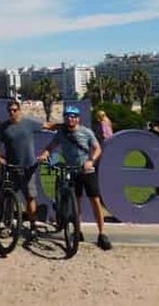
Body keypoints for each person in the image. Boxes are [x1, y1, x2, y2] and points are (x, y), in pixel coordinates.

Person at [38, 104, 112, 250]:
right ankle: (78, 231)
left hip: (87, 171)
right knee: (76, 203)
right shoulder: (61, 133)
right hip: (72, 171)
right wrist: (45, 154)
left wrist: (91, 161)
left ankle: (102, 233)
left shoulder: (86, 132)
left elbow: (97, 148)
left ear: (78, 119)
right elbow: (51, 146)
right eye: (67, 116)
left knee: (95, 201)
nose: (70, 119)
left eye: (73, 117)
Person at [0, 98, 51, 230]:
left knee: (30, 197)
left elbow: (48, 126)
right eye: (10, 110)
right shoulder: (4, 127)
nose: (12, 112)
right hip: (11, 168)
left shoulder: (29, 123)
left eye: (14, 110)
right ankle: (8, 225)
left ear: (19, 110)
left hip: (28, 167)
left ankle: (33, 225)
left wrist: (65, 126)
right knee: (9, 198)